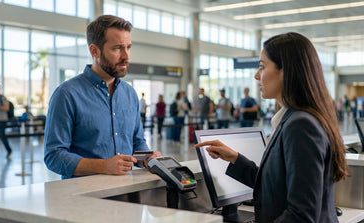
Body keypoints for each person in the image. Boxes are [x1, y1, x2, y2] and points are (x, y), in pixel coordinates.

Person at [195, 32, 348, 222]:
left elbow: (302, 216)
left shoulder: (300, 125)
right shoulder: (293, 119)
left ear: (285, 70)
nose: (256, 75)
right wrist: (234, 158)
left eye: (262, 66)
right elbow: (275, 185)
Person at [44, 15, 161, 179]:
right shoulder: (67, 94)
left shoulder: (130, 94)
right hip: (86, 198)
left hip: (128, 193)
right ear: (94, 51)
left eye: (128, 47)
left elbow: (137, 142)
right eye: (117, 48)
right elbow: (53, 156)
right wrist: (103, 166)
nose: (126, 56)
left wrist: (146, 159)